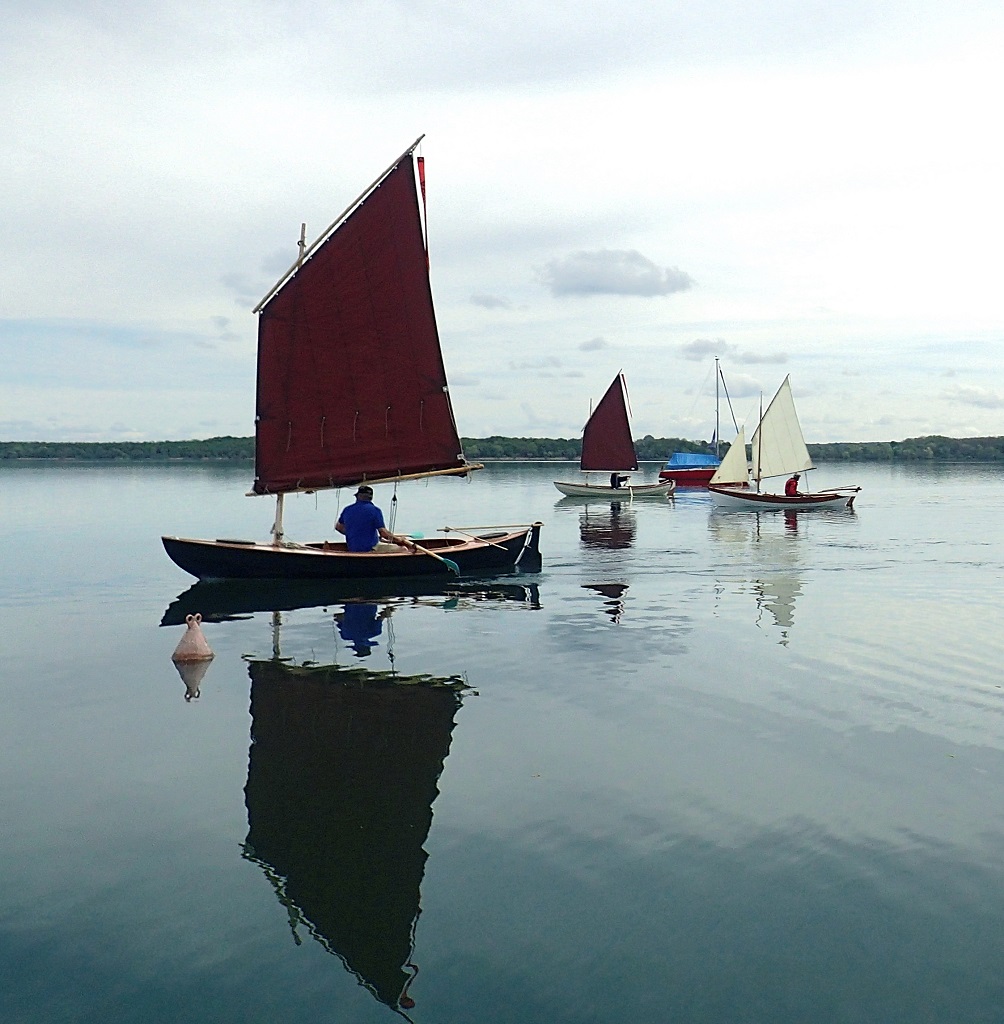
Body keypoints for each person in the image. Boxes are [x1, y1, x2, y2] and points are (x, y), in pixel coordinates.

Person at [335, 485, 416, 552]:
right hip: (370, 548)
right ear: (371, 497)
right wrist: (399, 539)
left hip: (353, 548)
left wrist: (354, 533)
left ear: (358, 496)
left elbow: (338, 527)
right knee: (403, 549)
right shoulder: (375, 510)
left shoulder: (347, 510)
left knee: (381, 542)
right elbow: (384, 534)